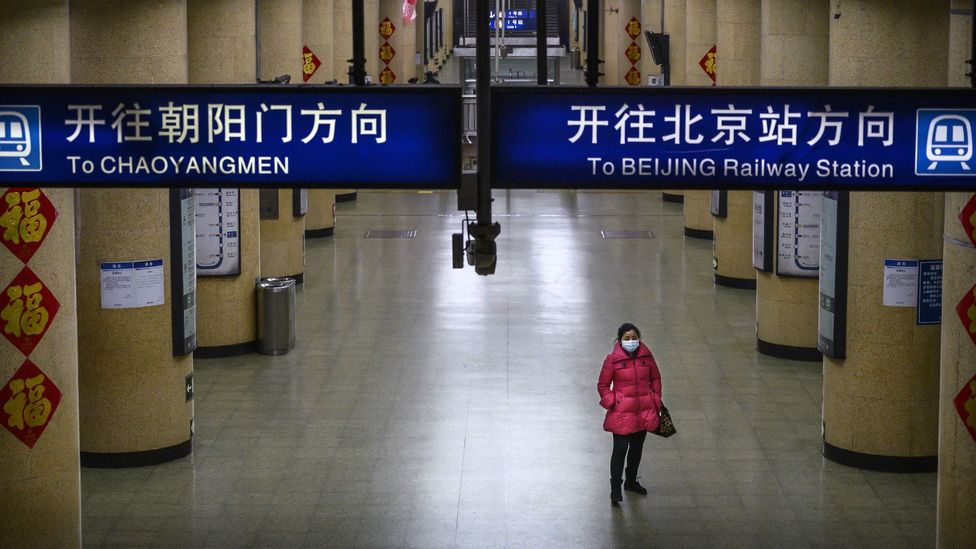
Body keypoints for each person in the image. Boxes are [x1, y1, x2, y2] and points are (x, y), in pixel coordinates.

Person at [597, 322, 663, 503]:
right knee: (619, 450)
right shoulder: (613, 360)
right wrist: (612, 401)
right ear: (619, 340)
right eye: (627, 338)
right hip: (622, 413)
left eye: (634, 338)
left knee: (636, 449)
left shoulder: (646, 357)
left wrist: (655, 398)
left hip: (643, 410)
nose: (631, 341)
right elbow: (603, 385)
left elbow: (655, 378)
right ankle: (615, 488)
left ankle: (631, 481)